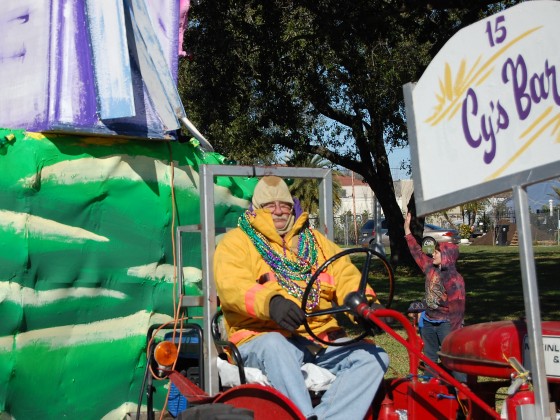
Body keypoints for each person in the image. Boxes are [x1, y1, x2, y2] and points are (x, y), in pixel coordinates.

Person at [214, 176, 389, 420]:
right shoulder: (235, 243)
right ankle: (304, 416)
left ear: (292, 206)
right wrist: (272, 304)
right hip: (259, 338)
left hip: (319, 340)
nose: (278, 211)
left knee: (375, 357)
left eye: (284, 205)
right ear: (256, 209)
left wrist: (364, 304)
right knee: (276, 344)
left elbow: (345, 273)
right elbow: (233, 286)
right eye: (269, 205)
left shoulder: (316, 242)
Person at [404, 212, 466, 382]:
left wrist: (455, 332)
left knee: (450, 355)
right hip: (429, 321)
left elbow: (458, 310)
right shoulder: (430, 268)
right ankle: (430, 383)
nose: (433, 255)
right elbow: (417, 252)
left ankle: (460, 386)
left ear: (446, 256)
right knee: (430, 355)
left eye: (437, 253)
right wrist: (407, 231)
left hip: (446, 323)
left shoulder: (454, 279)